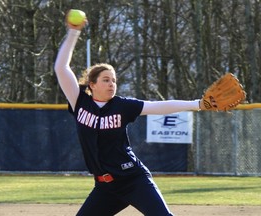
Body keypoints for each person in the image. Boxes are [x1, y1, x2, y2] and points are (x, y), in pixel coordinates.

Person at [54, 11, 206, 216]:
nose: (111, 84)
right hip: (105, 187)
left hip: (134, 180)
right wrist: (73, 33)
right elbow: (61, 68)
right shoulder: (80, 101)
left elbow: (158, 106)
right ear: (92, 84)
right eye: (106, 79)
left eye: (114, 80)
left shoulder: (122, 106)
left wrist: (197, 104)